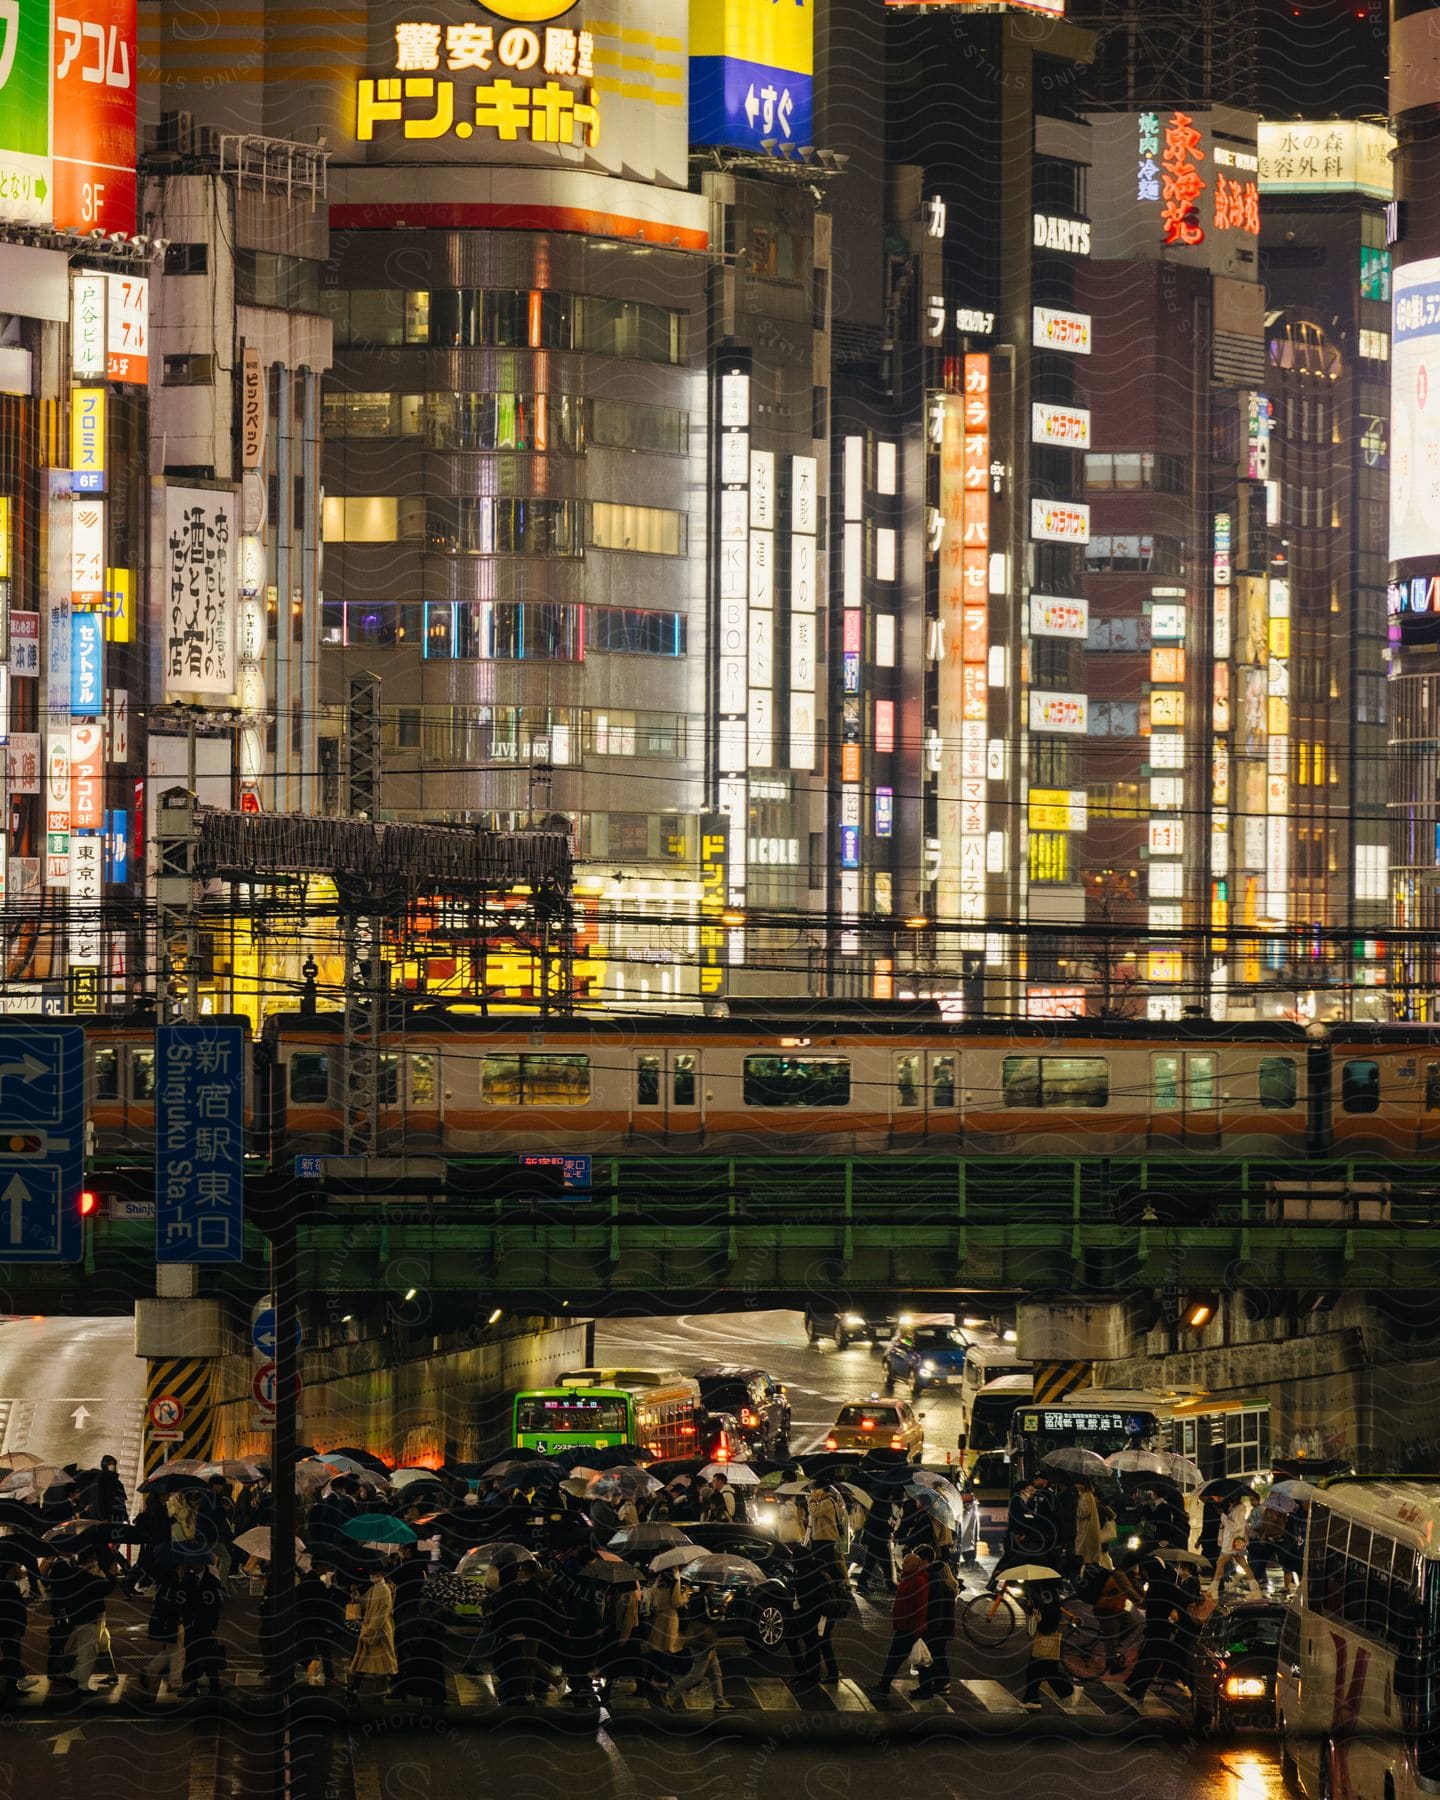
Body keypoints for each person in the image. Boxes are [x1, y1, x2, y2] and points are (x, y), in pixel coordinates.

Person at [1125, 1557, 1197, 1700]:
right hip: (1156, 1628)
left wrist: (1174, 1610)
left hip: (1161, 1629)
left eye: (1145, 1570)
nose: (1144, 1573)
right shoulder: (1157, 1584)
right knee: (1150, 1659)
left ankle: (1137, 1688)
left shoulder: (1163, 1585)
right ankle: (1135, 1686)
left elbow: (1182, 1598)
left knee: (1151, 1660)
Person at [867, 1546, 932, 1696]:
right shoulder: (909, 1578)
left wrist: (917, 1629)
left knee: (898, 1658)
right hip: (906, 1626)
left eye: (906, 1562)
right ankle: (926, 1688)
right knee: (918, 1658)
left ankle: (884, 1686)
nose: (902, 1564)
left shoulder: (918, 1580)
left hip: (909, 1628)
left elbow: (920, 1607)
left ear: (913, 1565)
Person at [786, 1545, 839, 1691]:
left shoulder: (808, 1576)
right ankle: (828, 1673)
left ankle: (810, 1676)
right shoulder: (814, 1570)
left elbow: (808, 1600)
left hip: (815, 1616)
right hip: (821, 1616)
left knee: (812, 1644)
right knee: (822, 1643)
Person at [489, 1561, 542, 1705]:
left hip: (515, 1635)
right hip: (519, 1634)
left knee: (515, 1664)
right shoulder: (516, 1590)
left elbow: (503, 1615)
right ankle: (520, 1694)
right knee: (520, 1664)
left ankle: (518, 1695)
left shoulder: (510, 1592)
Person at [670, 1587, 730, 1709]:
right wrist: (722, 1609)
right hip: (702, 1640)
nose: (714, 1586)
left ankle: (719, 1701)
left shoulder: (700, 1597)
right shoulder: (701, 1598)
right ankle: (671, 1694)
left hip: (706, 1640)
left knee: (715, 1672)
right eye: (712, 1584)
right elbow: (707, 1617)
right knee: (696, 1675)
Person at [175, 1561, 226, 1696]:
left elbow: (215, 1606)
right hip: (191, 1624)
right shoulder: (188, 1578)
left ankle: (215, 1686)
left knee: (208, 1655)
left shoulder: (211, 1581)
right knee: (191, 1655)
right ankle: (193, 1686)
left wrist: (213, 1626)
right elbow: (182, 1598)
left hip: (205, 1624)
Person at [1021, 1585, 1075, 1709]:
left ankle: (1068, 1690)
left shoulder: (1044, 1590)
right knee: (1044, 1670)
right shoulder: (1042, 1588)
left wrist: (1040, 1621)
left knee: (1038, 1669)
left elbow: (1050, 1612)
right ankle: (1032, 1699)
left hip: (1046, 1632)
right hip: (1045, 1630)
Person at [916, 1544, 958, 1698]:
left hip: (938, 1626)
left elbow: (935, 1606)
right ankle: (942, 1682)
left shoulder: (937, 1582)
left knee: (936, 1655)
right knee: (938, 1654)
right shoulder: (948, 1585)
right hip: (945, 1626)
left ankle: (942, 1683)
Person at [346, 1568, 397, 1695]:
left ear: (382, 1574)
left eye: (374, 1573)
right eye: (371, 1573)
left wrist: (371, 1629)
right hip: (373, 1630)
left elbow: (383, 1612)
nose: (372, 1576)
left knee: (379, 1662)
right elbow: (363, 1602)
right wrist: (355, 1592)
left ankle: (355, 1689)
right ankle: (355, 1688)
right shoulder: (374, 1589)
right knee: (376, 1662)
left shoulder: (384, 1590)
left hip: (379, 1631)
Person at [641, 1567, 686, 1705]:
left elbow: (654, 1594)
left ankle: (651, 1678)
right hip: (669, 1617)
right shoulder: (675, 1577)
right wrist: (685, 1595)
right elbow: (676, 1602)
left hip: (659, 1616)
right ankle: (661, 1680)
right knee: (666, 1649)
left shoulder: (661, 1577)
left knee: (657, 1649)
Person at [1090, 1561, 1143, 1675]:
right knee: (1112, 1636)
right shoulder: (1120, 1574)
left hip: (1116, 1608)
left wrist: (1147, 1598)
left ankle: (1109, 1641)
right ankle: (1112, 1665)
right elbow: (1128, 1590)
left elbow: (1137, 1588)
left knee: (1132, 1623)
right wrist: (1139, 1601)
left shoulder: (1130, 1575)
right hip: (1105, 1608)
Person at [296, 1562, 344, 1684]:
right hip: (314, 1621)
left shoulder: (310, 1578)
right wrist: (333, 1589)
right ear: (319, 1566)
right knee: (320, 1648)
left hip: (310, 1620)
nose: (328, 1568)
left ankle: (329, 1675)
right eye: (326, 1566)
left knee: (319, 1648)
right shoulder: (314, 1582)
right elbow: (322, 1600)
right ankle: (328, 1675)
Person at [140, 1564, 186, 1691]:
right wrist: (179, 1616)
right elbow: (172, 1601)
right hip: (172, 1620)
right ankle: (175, 1682)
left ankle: (149, 1670)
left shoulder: (166, 1575)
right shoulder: (172, 1579)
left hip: (164, 1620)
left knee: (170, 1651)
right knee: (178, 1651)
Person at [1212, 1495, 1256, 1595]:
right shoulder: (1234, 1508)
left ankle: (1213, 1589)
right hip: (1232, 1542)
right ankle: (1254, 1588)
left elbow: (1236, 1526)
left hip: (1234, 1543)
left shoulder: (1240, 1509)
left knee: (1220, 1563)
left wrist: (1223, 1517)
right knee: (1243, 1564)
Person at [0, 1560, 31, 1698]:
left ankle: (13, 1685)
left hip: (9, 1629)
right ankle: (12, 1688)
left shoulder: (8, 1585)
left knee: (11, 1657)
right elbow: (10, 1610)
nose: (21, 1570)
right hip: (10, 1629)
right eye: (18, 1567)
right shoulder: (8, 1587)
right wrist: (15, 1630)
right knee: (12, 1658)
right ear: (10, 1569)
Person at [854, 1494, 896, 1595]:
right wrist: (890, 1527)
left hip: (876, 1538)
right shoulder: (883, 1505)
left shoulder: (879, 1504)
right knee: (875, 1562)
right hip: (877, 1538)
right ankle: (863, 1583)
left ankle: (864, 1583)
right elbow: (879, 1522)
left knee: (878, 1562)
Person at [1073, 1477, 1103, 1568]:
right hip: (1090, 1529)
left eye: (1078, 1484)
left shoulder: (1085, 1496)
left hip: (1086, 1529)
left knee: (1084, 1555)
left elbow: (1083, 1512)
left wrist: (1075, 1508)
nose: (1076, 1486)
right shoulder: (1090, 1495)